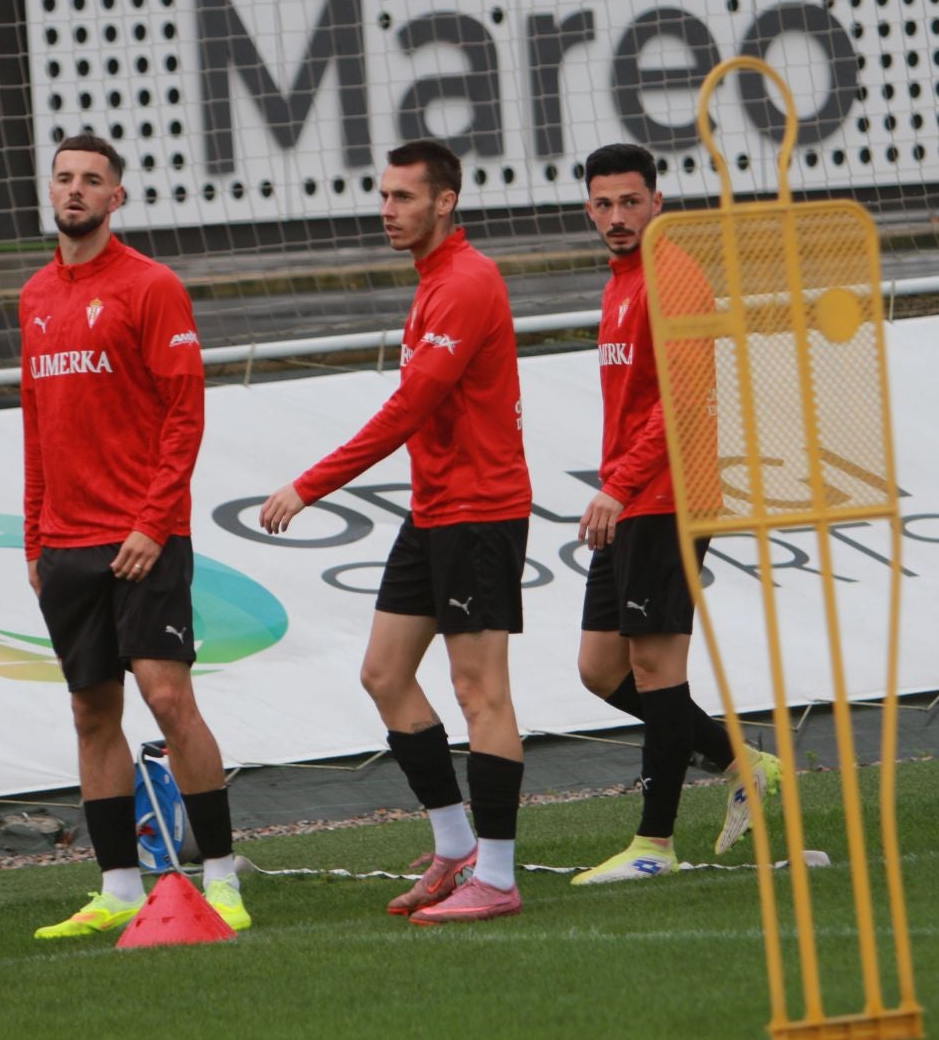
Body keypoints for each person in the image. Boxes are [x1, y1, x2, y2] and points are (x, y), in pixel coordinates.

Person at [260, 140, 532, 925]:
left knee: (482, 691)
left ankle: (500, 876)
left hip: (480, 511)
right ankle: (455, 847)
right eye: (383, 197)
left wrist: (309, 484)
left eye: (403, 198)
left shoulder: (467, 282)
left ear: (444, 202)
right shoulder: (432, 284)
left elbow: (409, 407)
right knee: (384, 674)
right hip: (436, 510)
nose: (388, 210)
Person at [21, 134, 250, 939]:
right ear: (50, 189)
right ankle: (118, 887)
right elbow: (37, 427)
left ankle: (221, 875)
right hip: (66, 544)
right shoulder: (36, 296)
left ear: (117, 198)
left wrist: (154, 523)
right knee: (91, 714)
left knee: (167, 699)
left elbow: (185, 415)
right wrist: (33, 540)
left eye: (91, 180)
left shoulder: (152, 288)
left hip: (142, 539)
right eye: (64, 178)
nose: (75, 190)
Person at [566, 144, 780, 884]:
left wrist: (618, 486)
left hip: (668, 498)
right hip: (633, 498)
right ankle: (740, 761)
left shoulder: (674, 274)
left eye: (630, 202)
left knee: (657, 668)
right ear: (588, 208)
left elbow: (685, 403)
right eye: (604, 204)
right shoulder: (620, 281)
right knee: (600, 670)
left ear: (657, 201)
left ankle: (654, 847)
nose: (617, 217)